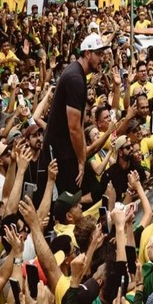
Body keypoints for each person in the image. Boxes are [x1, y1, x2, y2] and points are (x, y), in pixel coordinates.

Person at [40, 32, 107, 193]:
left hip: (63, 150)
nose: (102, 58)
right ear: (87, 53)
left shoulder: (78, 74)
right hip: (60, 153)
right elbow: (74, 127)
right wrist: (82, 160)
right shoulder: (75, 78)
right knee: (69, 200)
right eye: (98, 54)